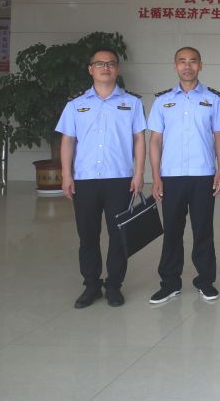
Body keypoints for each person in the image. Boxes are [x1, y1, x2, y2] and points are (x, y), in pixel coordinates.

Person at [57, 48, 146, 308]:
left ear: (117, 69)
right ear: (90, 69)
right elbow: (68, 140)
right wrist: (66, 174)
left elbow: (139, 139)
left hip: (120, 179)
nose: (105, 68)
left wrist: (139, 173)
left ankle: (114, 285)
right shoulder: (75, 105)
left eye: (110, 64)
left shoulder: (132, 103)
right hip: (85, 179)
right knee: (87, 235)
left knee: (119, 236)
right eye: (99, 64)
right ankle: (91, 285)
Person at [146, 46, 220, 304]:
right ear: (175, 66)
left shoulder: (213, 99)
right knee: (172, 230)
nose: (187, 66)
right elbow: (155, 140)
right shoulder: (162, 101)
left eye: (193, 61)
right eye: (182, 61)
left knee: (203, 230)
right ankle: (170, 283)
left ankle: (205, 281)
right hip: (171, 176)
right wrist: (156, 177)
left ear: (200, 65)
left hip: (203, 174)